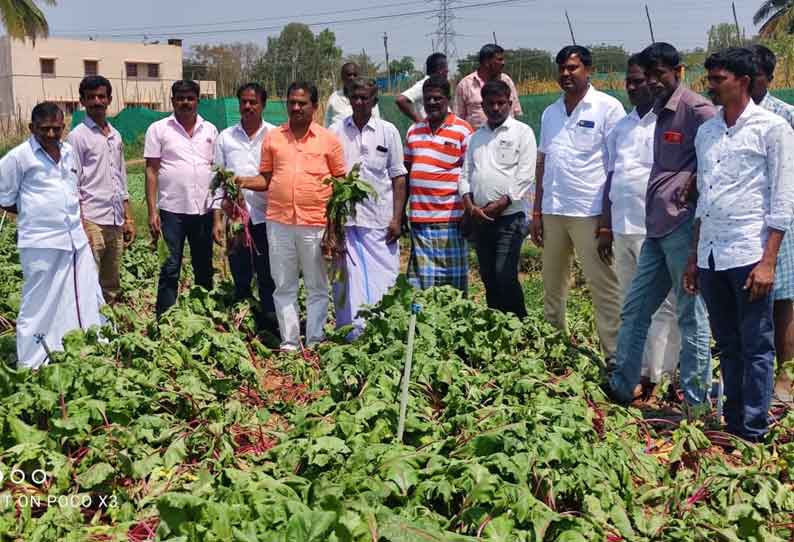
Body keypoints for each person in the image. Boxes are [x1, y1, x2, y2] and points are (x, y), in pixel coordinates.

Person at [684, 47, 794, 441]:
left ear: (742, 82)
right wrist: (695, 257)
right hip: (713, 254)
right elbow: (704, 199)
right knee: (727, 344)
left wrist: (768, 262)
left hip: (749, 252)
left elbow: (783, 201)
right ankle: (732, 423)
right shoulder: (708, 131)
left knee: (756, 346)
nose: (710, 86)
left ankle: (753, 428)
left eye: (718, 79)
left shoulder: (772, 128)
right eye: (709, 78)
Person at [606, 43, 716, 408]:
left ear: (679, 72)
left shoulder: (697, 110)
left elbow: (718, 160)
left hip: (683, 228)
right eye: (648, 76)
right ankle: (622, 388)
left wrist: (695, 177)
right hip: (655, 228)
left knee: (690, 314)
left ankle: (696, 405)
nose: (652, 83)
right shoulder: (658, 112)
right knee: (635, 309)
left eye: (659, 75)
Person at [531, 45, 625, 360]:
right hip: (553, 211)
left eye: (572, 68)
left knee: (603, 287)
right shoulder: (550, 112)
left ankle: (614, 357)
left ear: (588, 70)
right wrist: (536, 210)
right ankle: (555, 350)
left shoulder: (607, 108)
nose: (566, 74)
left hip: (590, 213)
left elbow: (616, 166)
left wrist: (608, 220)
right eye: (562, 68)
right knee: (553, 286)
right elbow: (543, 162)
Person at [238, 82, 347, 350]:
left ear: (314, 106)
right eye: (291, 102)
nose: (296, 107)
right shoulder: (274, 138)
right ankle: (289, 342)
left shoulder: (328, 140)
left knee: (316, 286)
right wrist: (238, 181)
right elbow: (265, 178)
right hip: (279, 223)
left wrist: (334, 228)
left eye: (302, 103)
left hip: (315, 223)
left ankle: (314, 339)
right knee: (283, 285)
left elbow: (341, 185)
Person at [597, 56, 680, 397]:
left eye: (638, 81)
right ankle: (640, 371)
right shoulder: (621, 127)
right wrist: (605, 225)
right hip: (623, 225)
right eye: (628, 82)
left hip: (655, 228)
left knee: (664, 305)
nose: (632, 87)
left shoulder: (666, 122)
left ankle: (664, 375)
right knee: (631, 303)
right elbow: (611, 177)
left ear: (652, 81)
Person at [0, 102, 105, 369]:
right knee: (38, 301)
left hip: (74, 239)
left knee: (82, 293)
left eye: (56, 129)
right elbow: (4, 198)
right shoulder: (18, 157)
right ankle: (32, 361)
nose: (50, 135)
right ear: (31, 128)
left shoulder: (69, 153)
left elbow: (72, 192)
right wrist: (32, 210)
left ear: (63, 127)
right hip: (40, 241)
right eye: (44, 129)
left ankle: (82, 347)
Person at [329, 78, 408, 337]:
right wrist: (332, 224)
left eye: (365, 98)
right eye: (355, 97)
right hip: (346, 222)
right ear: (349, 99)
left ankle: (384, 331)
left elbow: (398, 177)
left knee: (384, 278)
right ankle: (350, 334)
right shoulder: (336, 131)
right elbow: (331, 178)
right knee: (347, 283)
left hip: (380, 220)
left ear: (374, 101)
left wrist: (397, 218)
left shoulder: (388, 131)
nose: (360, 102)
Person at [460, 79, 536, 317]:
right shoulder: (476, 137)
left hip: (509, 217)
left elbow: (525, 175)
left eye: (500, 103)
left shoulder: (522, 133)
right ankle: (496, 324)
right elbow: (465, 174)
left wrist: (500, 204)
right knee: (488, 276)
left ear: (510, 103)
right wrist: (471, 206)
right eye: (490, 104)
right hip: (481, 218)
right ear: (483, 105)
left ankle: (520, 324)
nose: (495, 108)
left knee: (505, 273)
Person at [145, 80, 218, 318]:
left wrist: (218, 216)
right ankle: (165, 319)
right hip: (171, 211)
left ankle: (204, 317)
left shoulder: (210, 130)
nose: (185, 103)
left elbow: (216, 171)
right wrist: (152, 212)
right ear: (172, 100)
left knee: (204, 267)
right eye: (180, 98)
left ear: (198, 100)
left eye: (190, 98)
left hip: (203, 211)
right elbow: (151, 171)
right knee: (170, 267)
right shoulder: (158, 129)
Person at [212, 83, 277, 330]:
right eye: (244, 102)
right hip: (236, 219)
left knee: (268, 274)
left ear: (263, 105)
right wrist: (218, 220)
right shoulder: (226, 137)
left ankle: (269, 323)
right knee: (240, 273)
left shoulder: (275, 135)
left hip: (267, 216)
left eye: (253, 102)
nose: (248, 106)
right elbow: (217, 179)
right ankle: (242, 323)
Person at [750, 43, 794, 403]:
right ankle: (756, 374)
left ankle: (785, 376)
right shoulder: (725, 119)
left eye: (757, 78)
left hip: (781, 221)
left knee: (783, 299)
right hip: (743, 224)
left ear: (770, 77)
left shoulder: (784, 116)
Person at [67, 75, 135, 304]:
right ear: (82, 101)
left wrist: (129, 217)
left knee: (111, 281)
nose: (97, 101)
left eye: (101, 96)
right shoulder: (77, 136)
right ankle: (88, 328)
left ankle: (110, 325)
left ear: (109, 99)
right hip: (92, 218)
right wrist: (82, 223)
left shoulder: (115, 135)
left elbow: (121, 177)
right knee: (88, 278)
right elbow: (72, 183)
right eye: (91, 97)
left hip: (114, 218)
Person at [405, 75, 474, 292]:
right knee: (421, 287)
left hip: (451, 219)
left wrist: (468, 215)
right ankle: (420, 326)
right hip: (420, 221)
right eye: (428, 99)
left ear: (448, 99)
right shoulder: (414, 131)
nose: (432, 103)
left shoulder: (463, 130)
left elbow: (470, 175)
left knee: (452, 287)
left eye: (437, 98)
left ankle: (454, 326)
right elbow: (406, 174)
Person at [454, 44, 522, 129]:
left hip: (507, 138)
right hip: (476, 140)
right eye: (499, 60)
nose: (503, 63)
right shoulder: (465, 85)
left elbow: (516, 112)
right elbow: (458, 119)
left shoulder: (507, 81)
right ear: (486, 62)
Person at [324, 62, 381, 128]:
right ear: (342, 77)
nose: (352, 77)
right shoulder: (334, 98)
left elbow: (377, 121)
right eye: (349, 75)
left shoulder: (368, 97)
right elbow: (326, 123)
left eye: (355, 75)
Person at [396, 53, 448, 123]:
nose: (447, 72)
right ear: (440, 70)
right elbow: (401, 100)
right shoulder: (426, 84)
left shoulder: (437, 84)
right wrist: (420, 122)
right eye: (446, 69)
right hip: (428, 131)